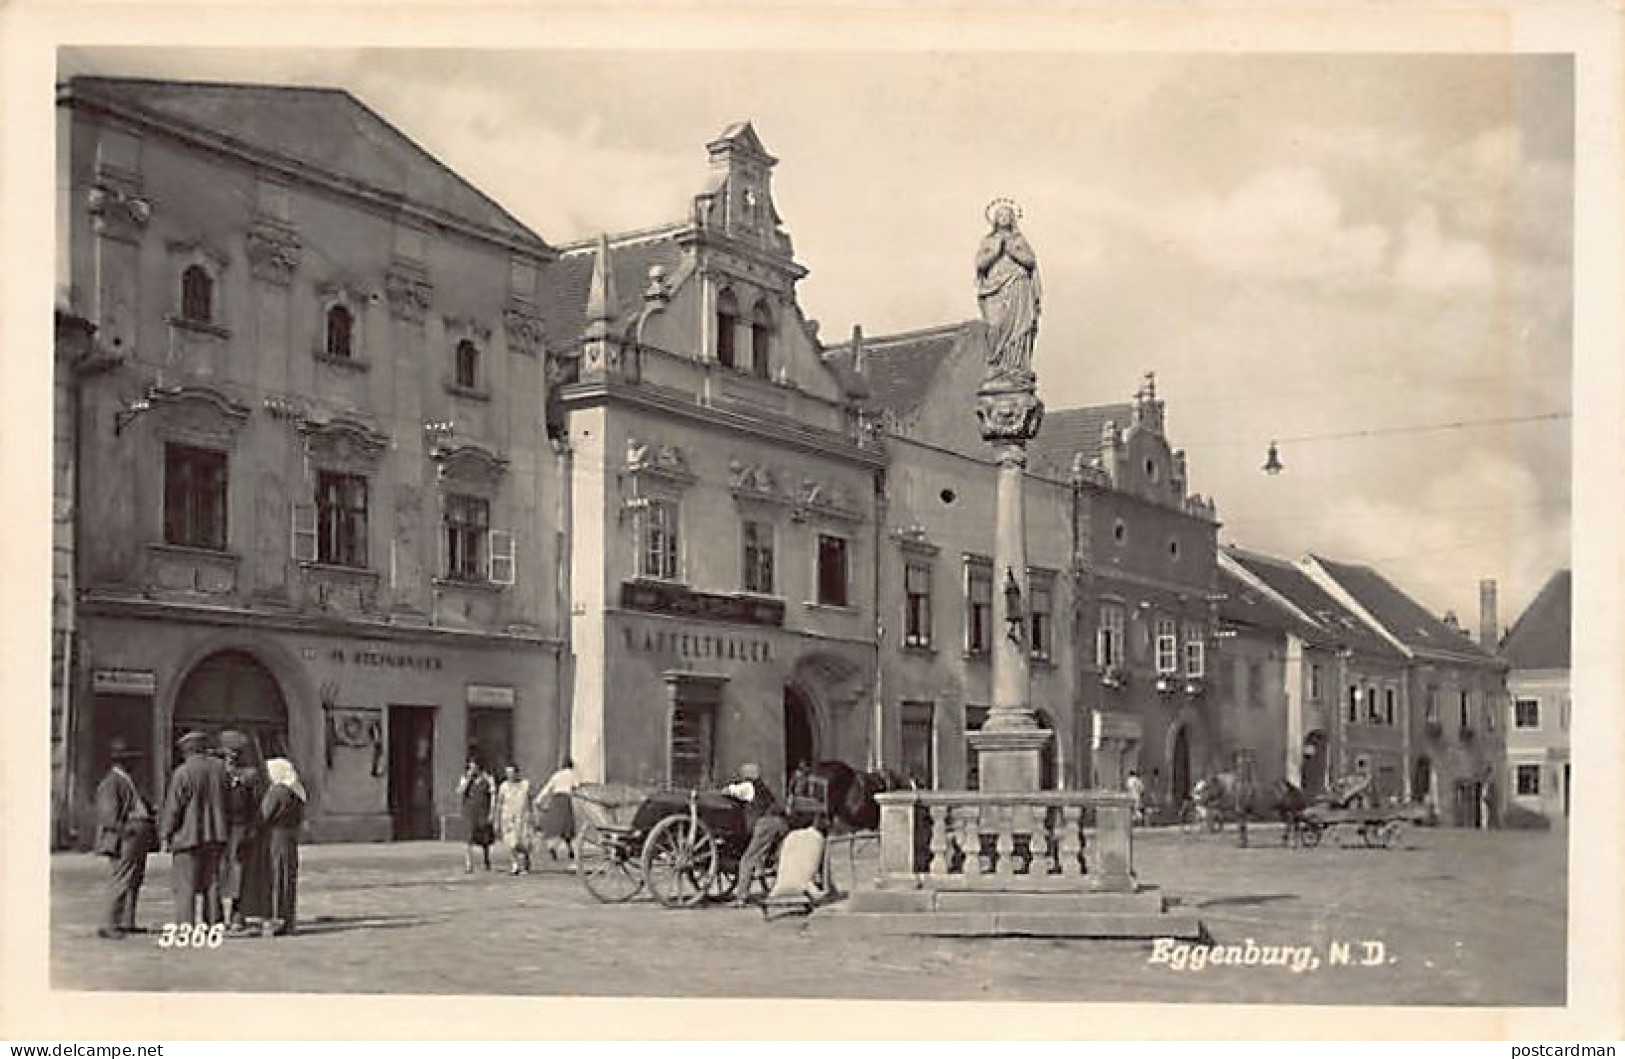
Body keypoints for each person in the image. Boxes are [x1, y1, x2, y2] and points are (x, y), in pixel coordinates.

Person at [160, 730, 229, 927]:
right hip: (216, 834)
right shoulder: (220, 769)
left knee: (185, 884)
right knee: (212, 880)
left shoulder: (183, 772)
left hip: (187, 837)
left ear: (186, 751)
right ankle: (214, 921)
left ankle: (185, 924)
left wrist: (165, 834)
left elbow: (174, 807)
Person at [974, 200, 1041, 387]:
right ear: (995, 219)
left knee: (1019, 329)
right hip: (995, 289)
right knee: (995, 326)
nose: (1004, 218)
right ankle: (997, 364)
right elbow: (979, 264)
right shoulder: (989, 241)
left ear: (1012, 219)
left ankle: (1016, 367)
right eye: (1000, 215)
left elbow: (1030, 261)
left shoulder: (1018, 240)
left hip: (1017, 286)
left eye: (1007, 215)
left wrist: (1013, 251)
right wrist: (995, 252)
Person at [93, 738, 155, 939]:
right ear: (121, 761)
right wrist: (125, 830)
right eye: (131, 760)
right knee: (122, 879)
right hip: (125, 837)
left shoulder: (125, 780)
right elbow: (109, 815)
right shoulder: (112, 782)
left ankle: (126, 921)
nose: (134, 764)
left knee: (134, 879)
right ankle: (109, 923)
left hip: (135, 835)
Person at [218, 730, 270, 933]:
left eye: (232, 755)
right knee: (223, 874)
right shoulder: (218, 775)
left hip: (239, 829)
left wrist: (252, 828)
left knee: (239, 874)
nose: (229, 760)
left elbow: (257, 804)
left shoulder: (251, 777)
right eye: (226, 756)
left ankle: (237, 916)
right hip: (223, 830)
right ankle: (220, 917)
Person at [724, 762, 788, 907]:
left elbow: (730, 791)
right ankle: (765, 870)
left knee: (747, 859)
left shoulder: (748, 787)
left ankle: (741, 898)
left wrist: (725, 790)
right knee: (767, 855)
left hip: (766, 824)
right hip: (778, 822)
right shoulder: (762, 788)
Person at [259, 757, 306, 937]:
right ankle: (288, 919)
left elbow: (264, 815)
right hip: (290, 837)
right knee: (288, 877)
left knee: (276, 877)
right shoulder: (296, 791)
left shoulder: (277, 792)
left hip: (275, 837)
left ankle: (276, 919)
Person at [533, 758, 578, 864]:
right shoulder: (572, 774)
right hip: (566, 800)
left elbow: (547, 788)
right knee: (567, 826)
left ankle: (552, 846)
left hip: (556, 799)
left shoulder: (556, 775)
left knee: (556, 825)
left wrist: (538, 800)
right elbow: (576, 787)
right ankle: (570, 848)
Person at [456, 758, 496, 873]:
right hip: (469, 811)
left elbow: (493, 794)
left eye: (474, 766)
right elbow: (459, 791)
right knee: (468, 838)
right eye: (470, 766)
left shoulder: (487, 778)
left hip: (483, 810)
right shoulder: (465, 778)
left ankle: (486, 860)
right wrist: (468, 779)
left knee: (484, 838)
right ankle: (469, 864)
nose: (473, 769)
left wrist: (492, 811)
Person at [494, 764, 535, 875]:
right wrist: (496, 819)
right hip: (508, 817)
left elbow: (531, 801)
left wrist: (533, 816)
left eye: (512, 773)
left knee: (524, 844)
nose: (510, 775)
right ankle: (515, 865)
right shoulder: (503, 786)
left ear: (517, 773)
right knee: (511, 843)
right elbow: (499, 803)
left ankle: (526, 862)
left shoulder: (525, 785)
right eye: (508, 773)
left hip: (523, 817)